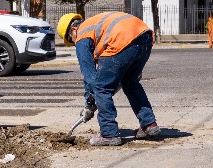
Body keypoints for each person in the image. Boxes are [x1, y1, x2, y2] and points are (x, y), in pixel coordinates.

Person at [58, 11, 160, 146]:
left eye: (72, 41)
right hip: (144, 36)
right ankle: (149, 124)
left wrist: (89, 104)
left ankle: (109, 134)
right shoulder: (94, 25)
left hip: (121, 39)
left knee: (101, 87)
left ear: (73, 30)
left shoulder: (82, 35)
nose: (75, 44)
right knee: (130, 83)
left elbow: (90, 78)